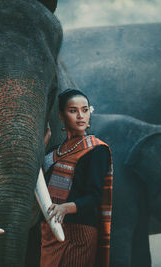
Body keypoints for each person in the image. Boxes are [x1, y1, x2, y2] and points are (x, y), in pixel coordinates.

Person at [41, 88, 113, 267]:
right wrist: (41, 147)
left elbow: (94, 198)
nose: (81, 116)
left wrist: (64, 208)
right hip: (50, 234)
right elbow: (39, 187)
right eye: (73, 111)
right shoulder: (52, 153)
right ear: (61, 116)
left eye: (85, 110)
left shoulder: (97, 150)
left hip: (79, 235)